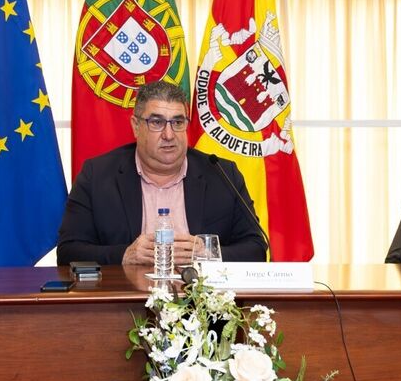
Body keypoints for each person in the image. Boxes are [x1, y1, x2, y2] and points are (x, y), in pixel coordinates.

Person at [57, 81, 268, 265]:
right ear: (136, 126)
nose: (169, 135)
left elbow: (256, 248)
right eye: (157, 122)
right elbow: (68, 252)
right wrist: (125, 255)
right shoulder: (97, 175)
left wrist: (207, 252)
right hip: (126, 303)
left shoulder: (221, 173)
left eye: (177, 122)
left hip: (204, 304)